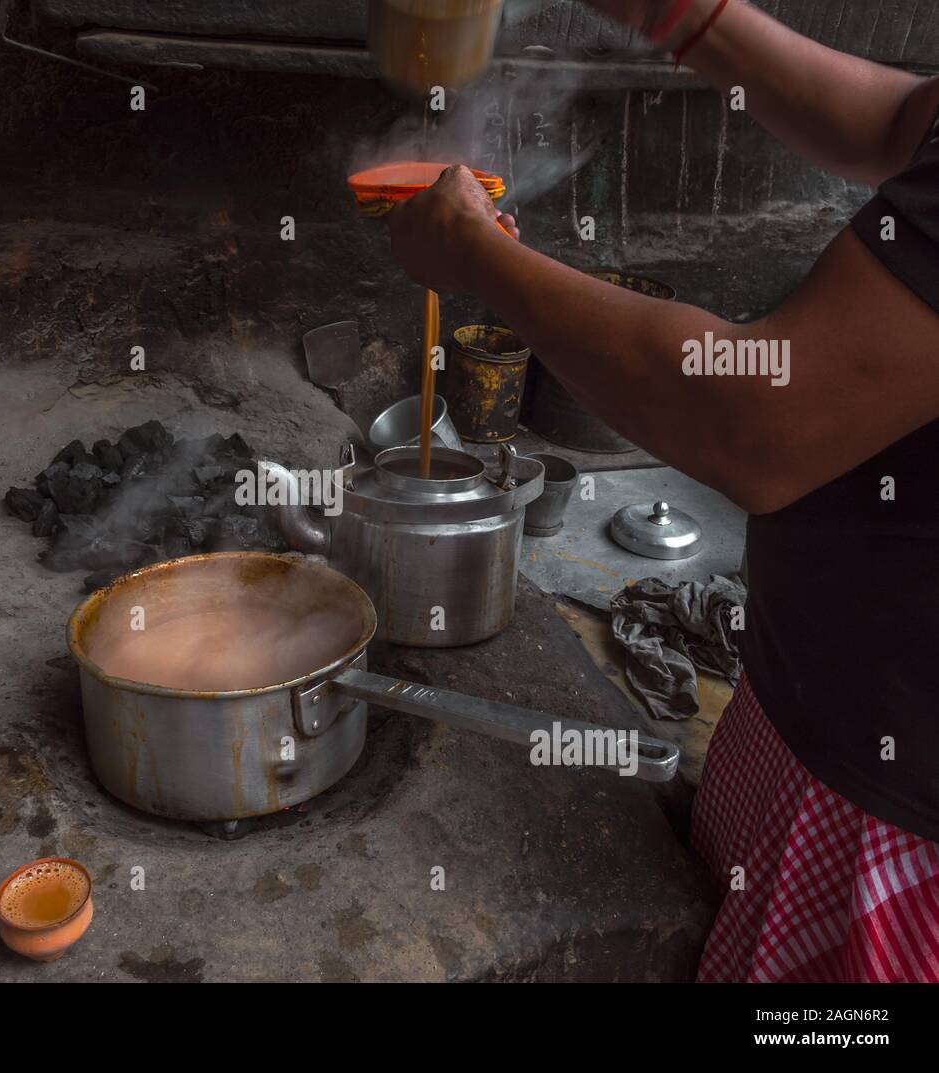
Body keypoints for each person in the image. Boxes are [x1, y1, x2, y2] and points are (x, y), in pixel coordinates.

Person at [387, 0, 939, 983]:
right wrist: (687, 15)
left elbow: (759, 419)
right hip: (813, 709)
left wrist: (480, 259)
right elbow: (907, 126)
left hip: (896, 814)